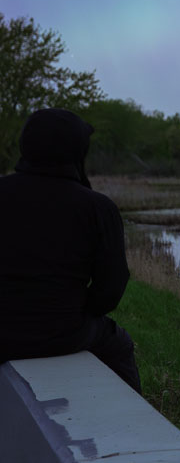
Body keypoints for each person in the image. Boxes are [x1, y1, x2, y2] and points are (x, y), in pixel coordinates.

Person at [0, 108, 139, 392]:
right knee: (120, 344)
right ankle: (134, 429)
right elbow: (111, 289)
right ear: (77, 151)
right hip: (61, 333)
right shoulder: (98, 208)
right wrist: (75, 311)